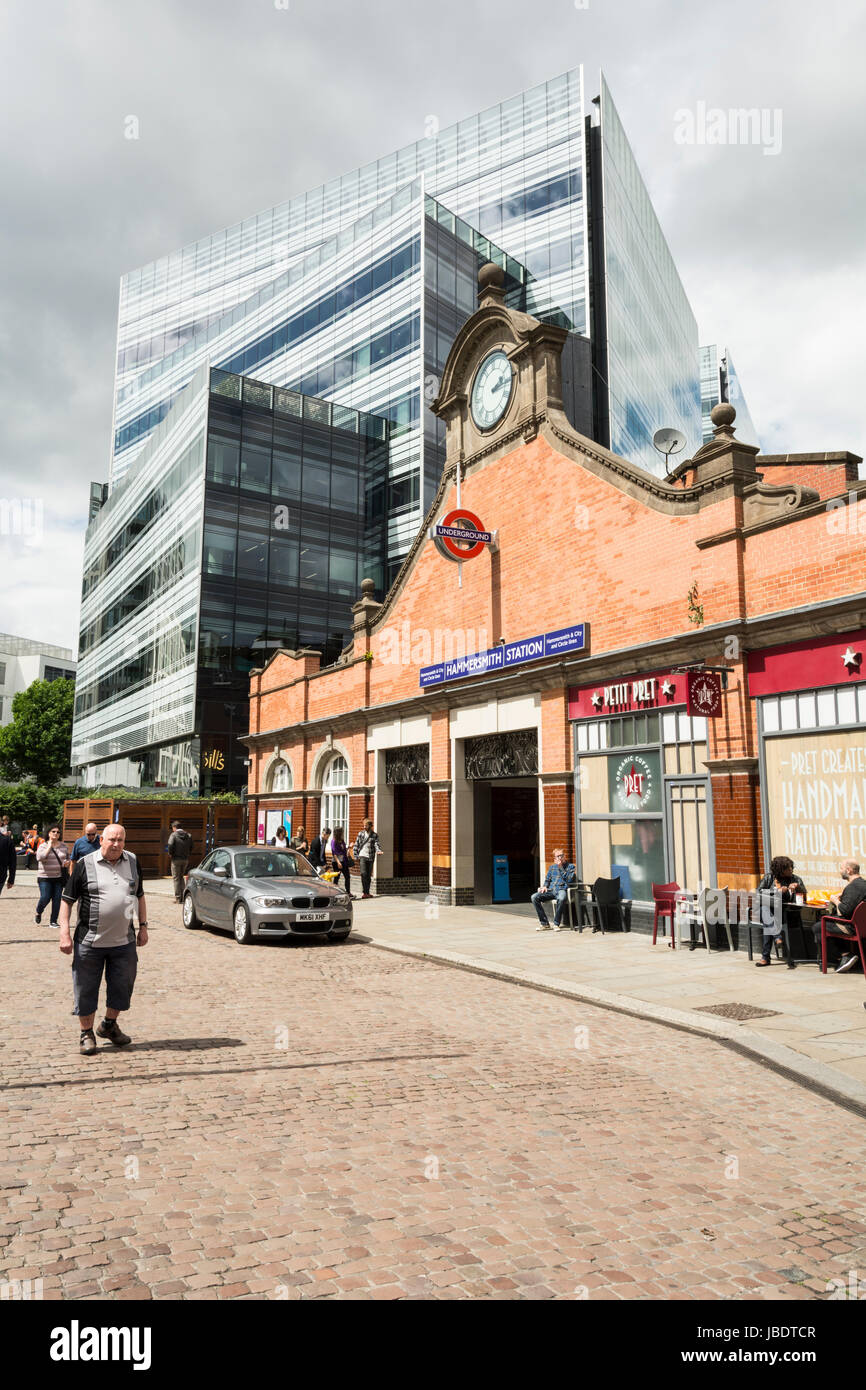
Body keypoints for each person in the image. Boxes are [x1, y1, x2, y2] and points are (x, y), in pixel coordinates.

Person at [57, 823, 148, 1056]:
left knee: (122, 986)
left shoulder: (133, 861)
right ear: (101, 841)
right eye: (112, 840)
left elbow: (140, 895)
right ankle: (86, 1033)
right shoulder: (86, 864)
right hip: (89, 942)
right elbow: (67, 900)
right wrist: (64, 933)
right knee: (85, 988)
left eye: (120, 840)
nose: (116, 844)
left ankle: (108, 1025)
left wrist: (143, 927)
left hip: (124, 941)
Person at [815, 860, 866, 973]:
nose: (840, 871)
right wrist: (843, 896)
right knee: (827, 923)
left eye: (841, 868)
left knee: (818, 926)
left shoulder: (853, 887)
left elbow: (844, 911)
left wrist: (834, 900)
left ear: (849, 870)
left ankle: (844, 955)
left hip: (852, 927)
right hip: (862, 926)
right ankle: (847, 956)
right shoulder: (863, 884)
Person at [755, 856, 806, 966]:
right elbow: (758, 894)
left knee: (767, 920)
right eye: (788, 869)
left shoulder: (796, 879)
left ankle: (765, 957)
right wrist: (777, 891)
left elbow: (805, 897)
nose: (791, 870)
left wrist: (798, 888)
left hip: (785, 913)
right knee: (765, 910)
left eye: (791, 868)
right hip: (769, 911)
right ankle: (777, 937)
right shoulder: (769, 878)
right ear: (780, 870)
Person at [531, 849, 577, 931]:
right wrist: (545, 886)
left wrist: (561, 868)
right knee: (534, 897)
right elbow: (547, 880)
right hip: (551, 890)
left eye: (562, 855)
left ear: (564, 856)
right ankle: (545, 924)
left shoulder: (571, 867)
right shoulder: (552, 867)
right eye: (558, 856)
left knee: (562, 898)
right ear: (554, 858)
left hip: (561, 890)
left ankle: (556, 924)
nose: (560, 857)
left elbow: (569, 880)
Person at [35, 825, 70, 927]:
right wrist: (49, 846)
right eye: (53, 831)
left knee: (57, 899)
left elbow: (67, 858)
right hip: (44, 877)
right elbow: (40, 858)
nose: (56, 833)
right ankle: (39, 911)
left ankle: (53, 921)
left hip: (58, 877)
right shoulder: (43, 845)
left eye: (58, 832)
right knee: (45, 897)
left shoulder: (64, 846)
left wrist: (66, 863)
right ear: (49, 833)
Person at [166, 819, 193, 904]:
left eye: (172, 828)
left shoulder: (173, 835)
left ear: (174, 827)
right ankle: (184, 897)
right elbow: (192, 847)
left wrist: (170, 854)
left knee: (176, 878)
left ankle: (178, 898)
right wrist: (187, 854)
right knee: (181, 877)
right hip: (185, 859)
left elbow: (170, 845)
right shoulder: (188, 835)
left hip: (175, 859)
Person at [353, 819, 381, 898]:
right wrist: (355, 855)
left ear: (370, 826)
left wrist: (378, 851)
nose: (364, 827)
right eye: (364, 825)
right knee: (363, 874)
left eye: (366, 826)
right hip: (362, 856)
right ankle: (365, 892)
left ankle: (367, 892)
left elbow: (377, 844)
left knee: (368, 875)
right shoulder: (361, 834)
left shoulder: (374, 835)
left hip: (371, 857)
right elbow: (356, 844)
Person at [329, 827, 354, 897]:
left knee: (347, 876)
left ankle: (348, 892)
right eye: (342, 832)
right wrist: (338, 862)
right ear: (338, 833)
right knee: (337, 877)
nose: (343, 833)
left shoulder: (341, 840)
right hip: (337, 862)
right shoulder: (333, 841)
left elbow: (343, 849)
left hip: (344, 861)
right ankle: (334, 892)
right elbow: (334, 853)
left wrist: (349, 847)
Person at [0, 826, 16, 897]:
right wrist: (11, 879)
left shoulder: (7, 840)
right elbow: (13, 862)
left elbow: (13, 861)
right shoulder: (7, 840)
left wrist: (11, 879)